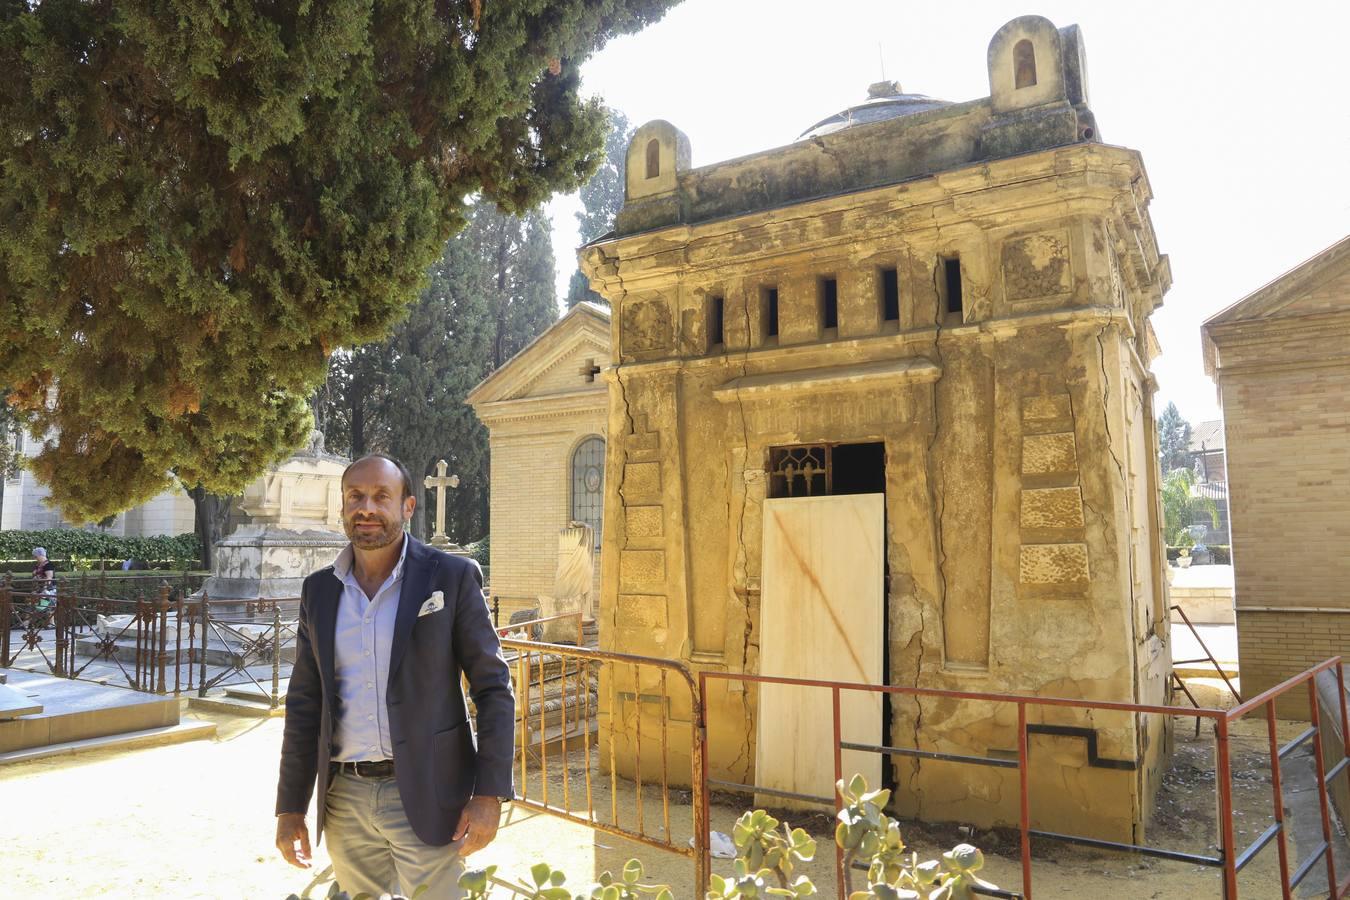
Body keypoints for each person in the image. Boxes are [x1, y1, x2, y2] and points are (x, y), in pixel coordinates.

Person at [274, 454, 514, 899]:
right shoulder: (320, 591)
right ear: (343, 506)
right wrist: (290, 807)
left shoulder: (452, 577)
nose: (367, 507)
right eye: (355, 497)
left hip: (431, 791)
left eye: (381, 496)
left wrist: (489, 794)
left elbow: (493, 689)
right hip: (343, 799)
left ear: (407, 506)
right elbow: (305, 703)